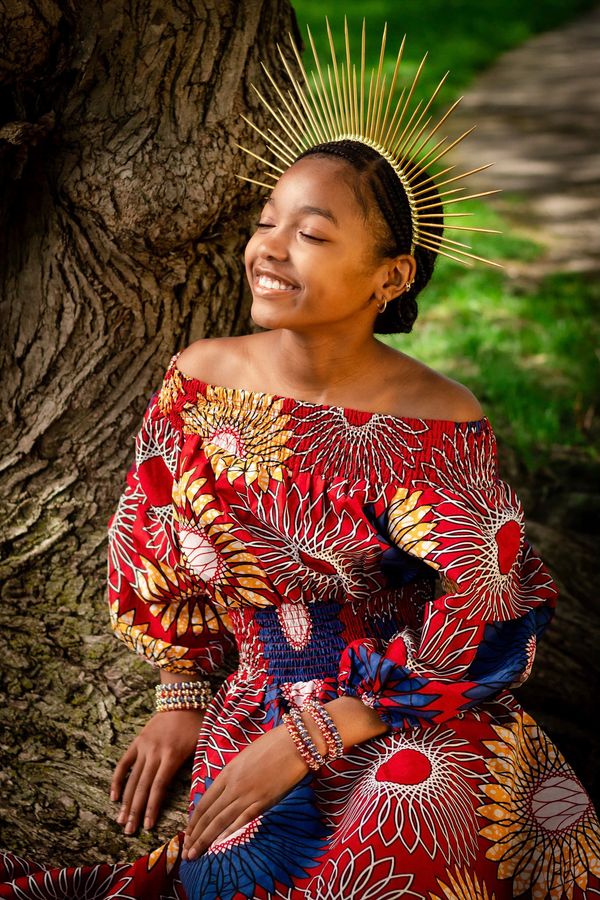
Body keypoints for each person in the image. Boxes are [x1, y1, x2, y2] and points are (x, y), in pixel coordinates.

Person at [2, 18, 599, 900]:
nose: (268, 248)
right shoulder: (199, 384)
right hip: (260, 696)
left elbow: (489, 604)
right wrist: (180, 694)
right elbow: (157, 540)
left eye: (311, 235)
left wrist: (328, 728)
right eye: (264, 221)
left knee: (413, 834)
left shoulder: (439, 420)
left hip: (412, 708)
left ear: (390, 278)